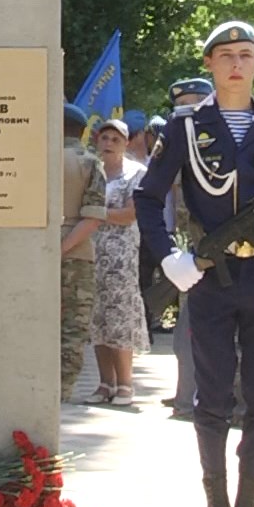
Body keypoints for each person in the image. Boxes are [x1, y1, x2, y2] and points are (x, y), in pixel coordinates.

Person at [137, 20, 254, 507]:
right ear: (210, 64)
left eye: (246, 54)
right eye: (225, 55)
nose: (236, 63)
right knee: (210, 402)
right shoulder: (187, 126)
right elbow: (148, 196)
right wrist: (169, 257)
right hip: (210, 279)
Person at [159, 78, 216, 416]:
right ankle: (186, 396)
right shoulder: (176, 141)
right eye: (182, 106)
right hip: (189, 251)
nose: (187, 112)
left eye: (193, 104)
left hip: (226, 253)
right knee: (188, 331)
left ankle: (230, 400)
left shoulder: (218, 140)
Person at [85, 116, 149, 406]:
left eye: (116, 139)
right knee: (96, 317)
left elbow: (129, 214)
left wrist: (95, 214)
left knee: (120, 316)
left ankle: (125, 384)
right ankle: (104, 383)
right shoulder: (91, 170)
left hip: (121, 254)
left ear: (126, 144)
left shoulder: (137, 173)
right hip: (90, 251)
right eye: (104, 138)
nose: (109, 144)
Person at [60, 103, 107, 399]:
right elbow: (93, 218)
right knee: (73, 331)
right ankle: (62, 391)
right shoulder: (90, 162)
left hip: (33, 254)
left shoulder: (32, 159)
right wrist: (62, 249)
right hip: (77, 254)